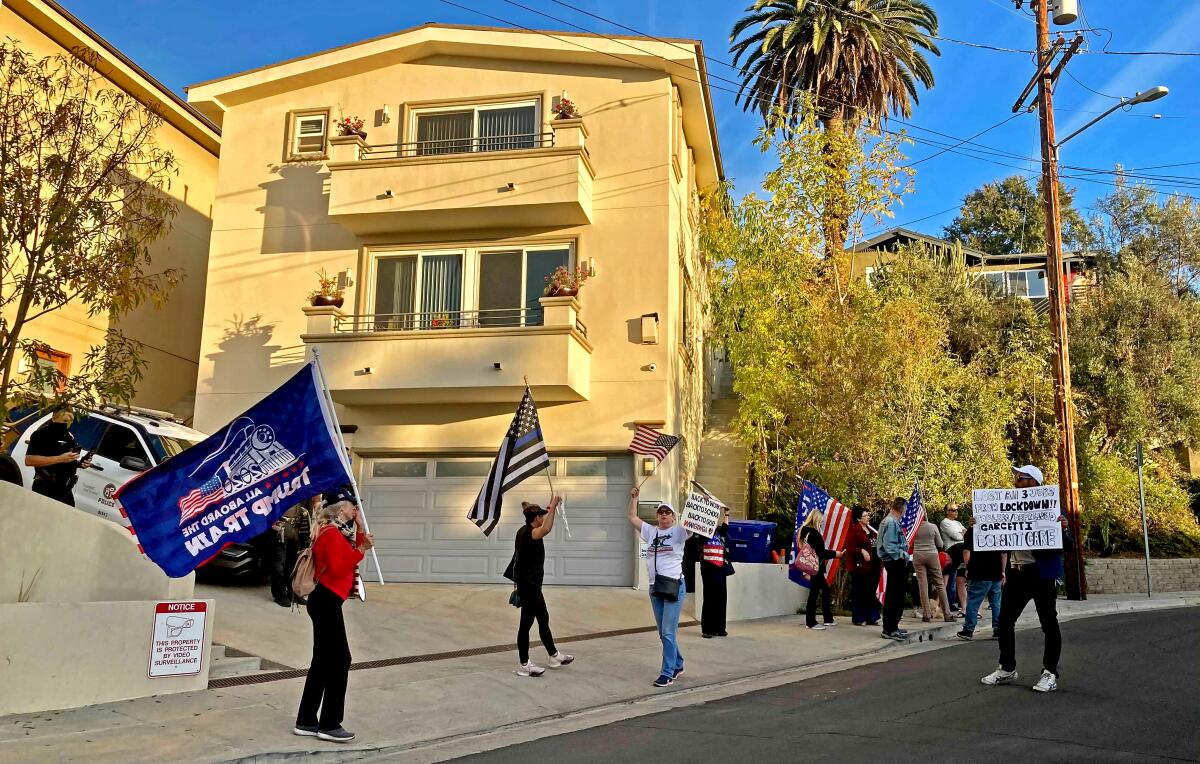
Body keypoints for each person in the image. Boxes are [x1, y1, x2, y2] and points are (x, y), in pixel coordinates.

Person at [981, 465, 1070, 693]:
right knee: (1004, 621)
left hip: (1041, 574)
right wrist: (979, 526)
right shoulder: (1007, 508)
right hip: (1017, 573)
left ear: (1033, 482)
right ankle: (1007, 667)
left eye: (1019, 478)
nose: (1015, 481)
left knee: (1048, 623)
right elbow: (995, 535)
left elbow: (1068, 545)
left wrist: (1062, 528)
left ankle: (1050, 672)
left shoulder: (1052, 509)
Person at [295, 500, 374, 743]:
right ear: (341, 510)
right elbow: (341, 567)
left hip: (327, 601)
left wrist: (360, 529)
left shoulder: (336, 532)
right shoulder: (330, 534)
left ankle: (306, 720)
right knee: (340, 660)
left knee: (322, 661)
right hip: (325, 600)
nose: (355, 510)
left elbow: (351, 554)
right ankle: (330, 723)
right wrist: (361, 549)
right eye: (353, 507)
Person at [628, 486, 691, 688]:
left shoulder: (679, 532)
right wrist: (635, 498)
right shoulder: (651, 531)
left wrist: (704, 504)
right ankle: (678, 663)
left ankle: (667, 673)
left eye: (668, 512)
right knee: (663, 632)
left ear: (674, 517)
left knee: (668, 632)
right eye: (661, 512)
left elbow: (697, 525)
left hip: (673, 585)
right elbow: (632, 517)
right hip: (655, 587)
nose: (664, 515)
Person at [504, 498, 574, 677]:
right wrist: (553, 509)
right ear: (536, 518)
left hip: (532, 584)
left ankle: (554, 656)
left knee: (543, 618)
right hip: (529, 585)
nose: (544, 516)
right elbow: (547, 529)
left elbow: (541, 520)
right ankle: (524, 664)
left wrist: (552, 505)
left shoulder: (525, 529)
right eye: (541, 515)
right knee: (525, 624)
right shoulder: (531, 533)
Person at [24, 407, 92, 506]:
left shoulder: (69, 437)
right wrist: (59, 458)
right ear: (54, 418)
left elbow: (65, 460)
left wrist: (80, 464)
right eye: (65, 421)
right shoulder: (40, 435)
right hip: (46, 485)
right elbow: (29, 460)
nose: (67, 424)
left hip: (65, 488)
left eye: (70, 421)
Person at [958, 514, 1005, 641]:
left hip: (979, 572)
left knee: (973, 601)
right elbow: (1003, 554)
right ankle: (998, 629)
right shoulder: (998, 531)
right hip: (995, 573)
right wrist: (1003, 572)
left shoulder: (971, 532)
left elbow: (966, 551)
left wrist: (967, 567)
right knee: (996, 603)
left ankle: (968, 630)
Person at [877, 497, 911, 641]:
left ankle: (893, 626)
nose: (905, 512)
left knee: (897, 594)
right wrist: (903, 555)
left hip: (895, 561)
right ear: (902, 508)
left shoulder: (891, 521)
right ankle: (889, 628)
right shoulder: (890, 522)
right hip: (894, 561)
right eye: (905, 509)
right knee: (894, 595)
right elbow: (889, 546)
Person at [912, 517, 954, 623]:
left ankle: (926, 615)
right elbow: (940, 544)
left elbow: (910, 543)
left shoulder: (913, 527)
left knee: (922, 585)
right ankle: (947, 614)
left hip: (918, 554)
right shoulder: (932, 526)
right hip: (932, 554)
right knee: (940, 584)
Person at [843, 507, 880, 627]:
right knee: (859, 591)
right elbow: (849, 548)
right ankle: (859, 617)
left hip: (873, 565)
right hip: (860, 567)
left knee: (870, 591)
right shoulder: (854, 530)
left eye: (868, 515)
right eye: (865, 515)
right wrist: (861, 550)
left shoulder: (871, 530)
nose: (868, 517)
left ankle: (871, 617)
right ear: (859, 518)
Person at [699, 509, 733, 638]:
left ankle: (720, 628)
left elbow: (726, 527)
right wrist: (706, 505)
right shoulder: (703, 534)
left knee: (721, 598)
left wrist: (726, 514)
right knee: (709, 599)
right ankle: (707, 629)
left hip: (720, 569)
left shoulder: (720, 533)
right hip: (708, 569)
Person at [799, 522, 838, 630]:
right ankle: (811, 622)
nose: (822, 522)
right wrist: (836, 554)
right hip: (816, 568)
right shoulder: (814, 534)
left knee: (825, 590)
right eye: (820, 519)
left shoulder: (806, 533)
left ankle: (828, 618)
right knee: (814, 593)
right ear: (815, 519)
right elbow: (821, 552)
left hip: (815, 567)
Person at [940, 504, 967, 614]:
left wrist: (963, 534)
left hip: (961, 552)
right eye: (953, 510)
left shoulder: (957, 523)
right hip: (951, 552)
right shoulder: (945, 522)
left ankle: (957, 603)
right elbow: (957, 536)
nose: (956, 512)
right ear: (947, 511)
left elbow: (966, 534)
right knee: (949, 579)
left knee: (959, 579)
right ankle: (948, 603)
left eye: (957, 510)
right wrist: (962, 534)